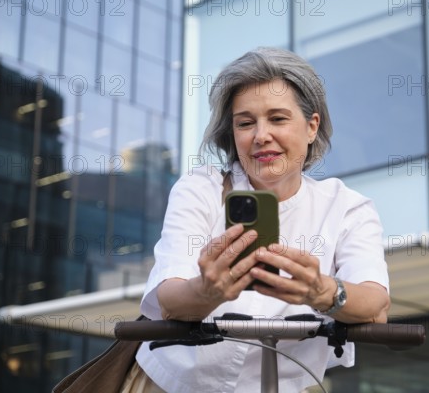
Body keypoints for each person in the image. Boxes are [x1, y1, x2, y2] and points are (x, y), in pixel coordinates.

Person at [123, 47, 390, 393]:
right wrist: (206, 291)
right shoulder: (200, 189)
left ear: (312, 126)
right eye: (245, 123)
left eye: (278, 119)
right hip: (174, 385)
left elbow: (375, 304)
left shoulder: (346, 207)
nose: (260, 135)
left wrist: (321, 290)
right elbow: (169, 299)